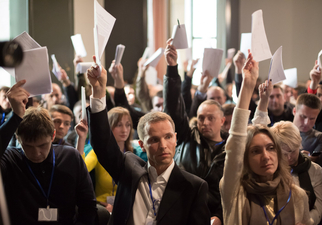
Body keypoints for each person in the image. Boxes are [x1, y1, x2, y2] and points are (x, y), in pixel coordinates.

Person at [87, 55, 210, 225]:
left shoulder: (194, 187)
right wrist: (98, 93)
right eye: (154, 140)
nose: (163, 146)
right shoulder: (129, 169)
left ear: (175, 139)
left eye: (168, 137)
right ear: (142, 145)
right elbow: (102, 143)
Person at [220, 51, 313, 225]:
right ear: (245, 158)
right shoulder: (235, 191)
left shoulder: (298, 196)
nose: (266, 156)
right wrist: (247, 86)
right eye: (255, 151)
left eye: (271, 148)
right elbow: (236, 143)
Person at [1, 80, 97, 224]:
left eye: (42, 145)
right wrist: (15, 117)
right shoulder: (10, 159)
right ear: (18, 139)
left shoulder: (70, 157)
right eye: (28, 146)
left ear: (53, 136)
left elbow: (88, 206)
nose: (36, 153)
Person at [163, 38, 225, 224]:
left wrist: (220, 216)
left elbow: (237, 188)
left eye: (210, 118)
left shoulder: (231, 148)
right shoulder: (187, 137)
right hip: (182, 212)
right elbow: (173, 107)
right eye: (200, 118)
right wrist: (172, 69)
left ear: (222, 121)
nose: (204, 122)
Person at [75, 106, 147, 213]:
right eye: (119, 125)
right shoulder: (98, 152)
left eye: (128, 125)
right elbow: (79, 169)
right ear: (108, 127)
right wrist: (81, 138)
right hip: (101, 208)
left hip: (128, 208)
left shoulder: (136, 153)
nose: (124, 130)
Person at [293, 93, 322, 161]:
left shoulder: (319, 138)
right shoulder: (279, 132)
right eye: (303, 117)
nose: (306, 123)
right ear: (294, 111)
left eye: (312, 118)